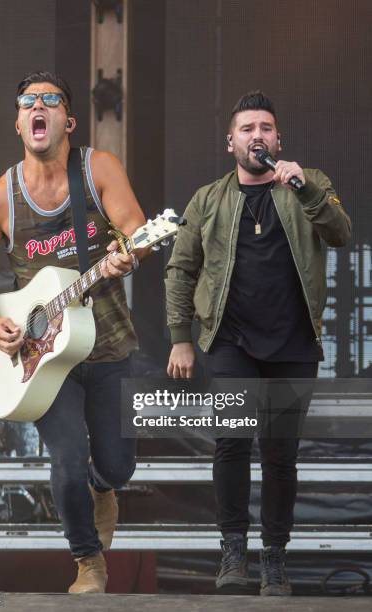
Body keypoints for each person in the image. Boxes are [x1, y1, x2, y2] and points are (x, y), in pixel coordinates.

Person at [0, 71, 147, 594]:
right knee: (65, 457)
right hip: (42, 359)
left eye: (50, 100)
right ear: (19, 123)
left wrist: (126, 256)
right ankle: (88, 562)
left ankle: (104, 488)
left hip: (108, 346)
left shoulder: (98, 169)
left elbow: (138, 231)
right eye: (27, 102)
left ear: (68, 119)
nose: (38, 107)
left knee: (118, 464)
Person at [165, 91, 351, 596]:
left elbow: (340, 233)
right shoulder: (207, 200)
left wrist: (305, 188)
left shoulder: (308, 186)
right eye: (247, 128)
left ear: (278, 139)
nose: (257, 135)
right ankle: (233, 551)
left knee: (280, 453)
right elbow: (181, 268)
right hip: (231, 343)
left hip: (293, 345)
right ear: (231, 143)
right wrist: (181, 338)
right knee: (231, 443)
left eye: (266, 128)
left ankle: (274, 557)